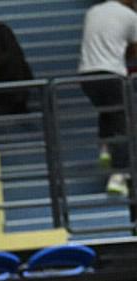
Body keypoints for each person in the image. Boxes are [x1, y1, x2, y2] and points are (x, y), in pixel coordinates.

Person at [78, 0, 137, 197]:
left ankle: (105, 147)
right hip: (112, 74)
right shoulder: (130, 16)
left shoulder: (93, 11)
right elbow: (134, 51)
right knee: (122, 123)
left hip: (86, 75)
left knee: (107, 109)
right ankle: (119, 175)